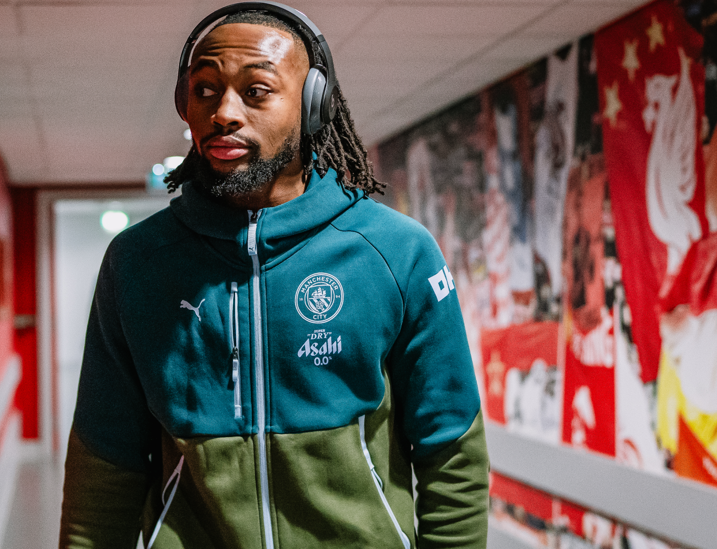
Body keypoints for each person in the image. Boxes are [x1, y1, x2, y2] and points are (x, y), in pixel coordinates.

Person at [59, 3, 488, 548]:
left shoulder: (395, 251)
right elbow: (105, 461)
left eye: (256, 91)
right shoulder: (139, 262)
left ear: (313, 106)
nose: (224, 113)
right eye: (205, 90)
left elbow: (450, 450)